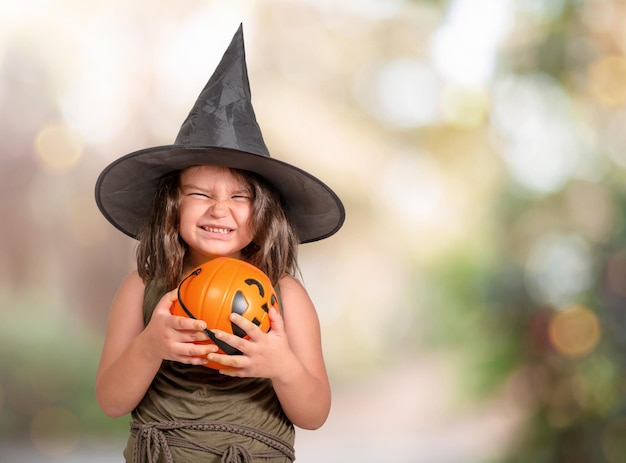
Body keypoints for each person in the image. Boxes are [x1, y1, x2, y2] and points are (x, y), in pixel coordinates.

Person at [93, 24, 345, 463]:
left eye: (239, 197)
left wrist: (282, 366)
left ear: (263, 211)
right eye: (200, 194)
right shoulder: (143, 287)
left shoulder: (286, 295)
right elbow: (112, 401)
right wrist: (150, 345)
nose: (218, 210)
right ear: (172, 204)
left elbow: (315, 413)